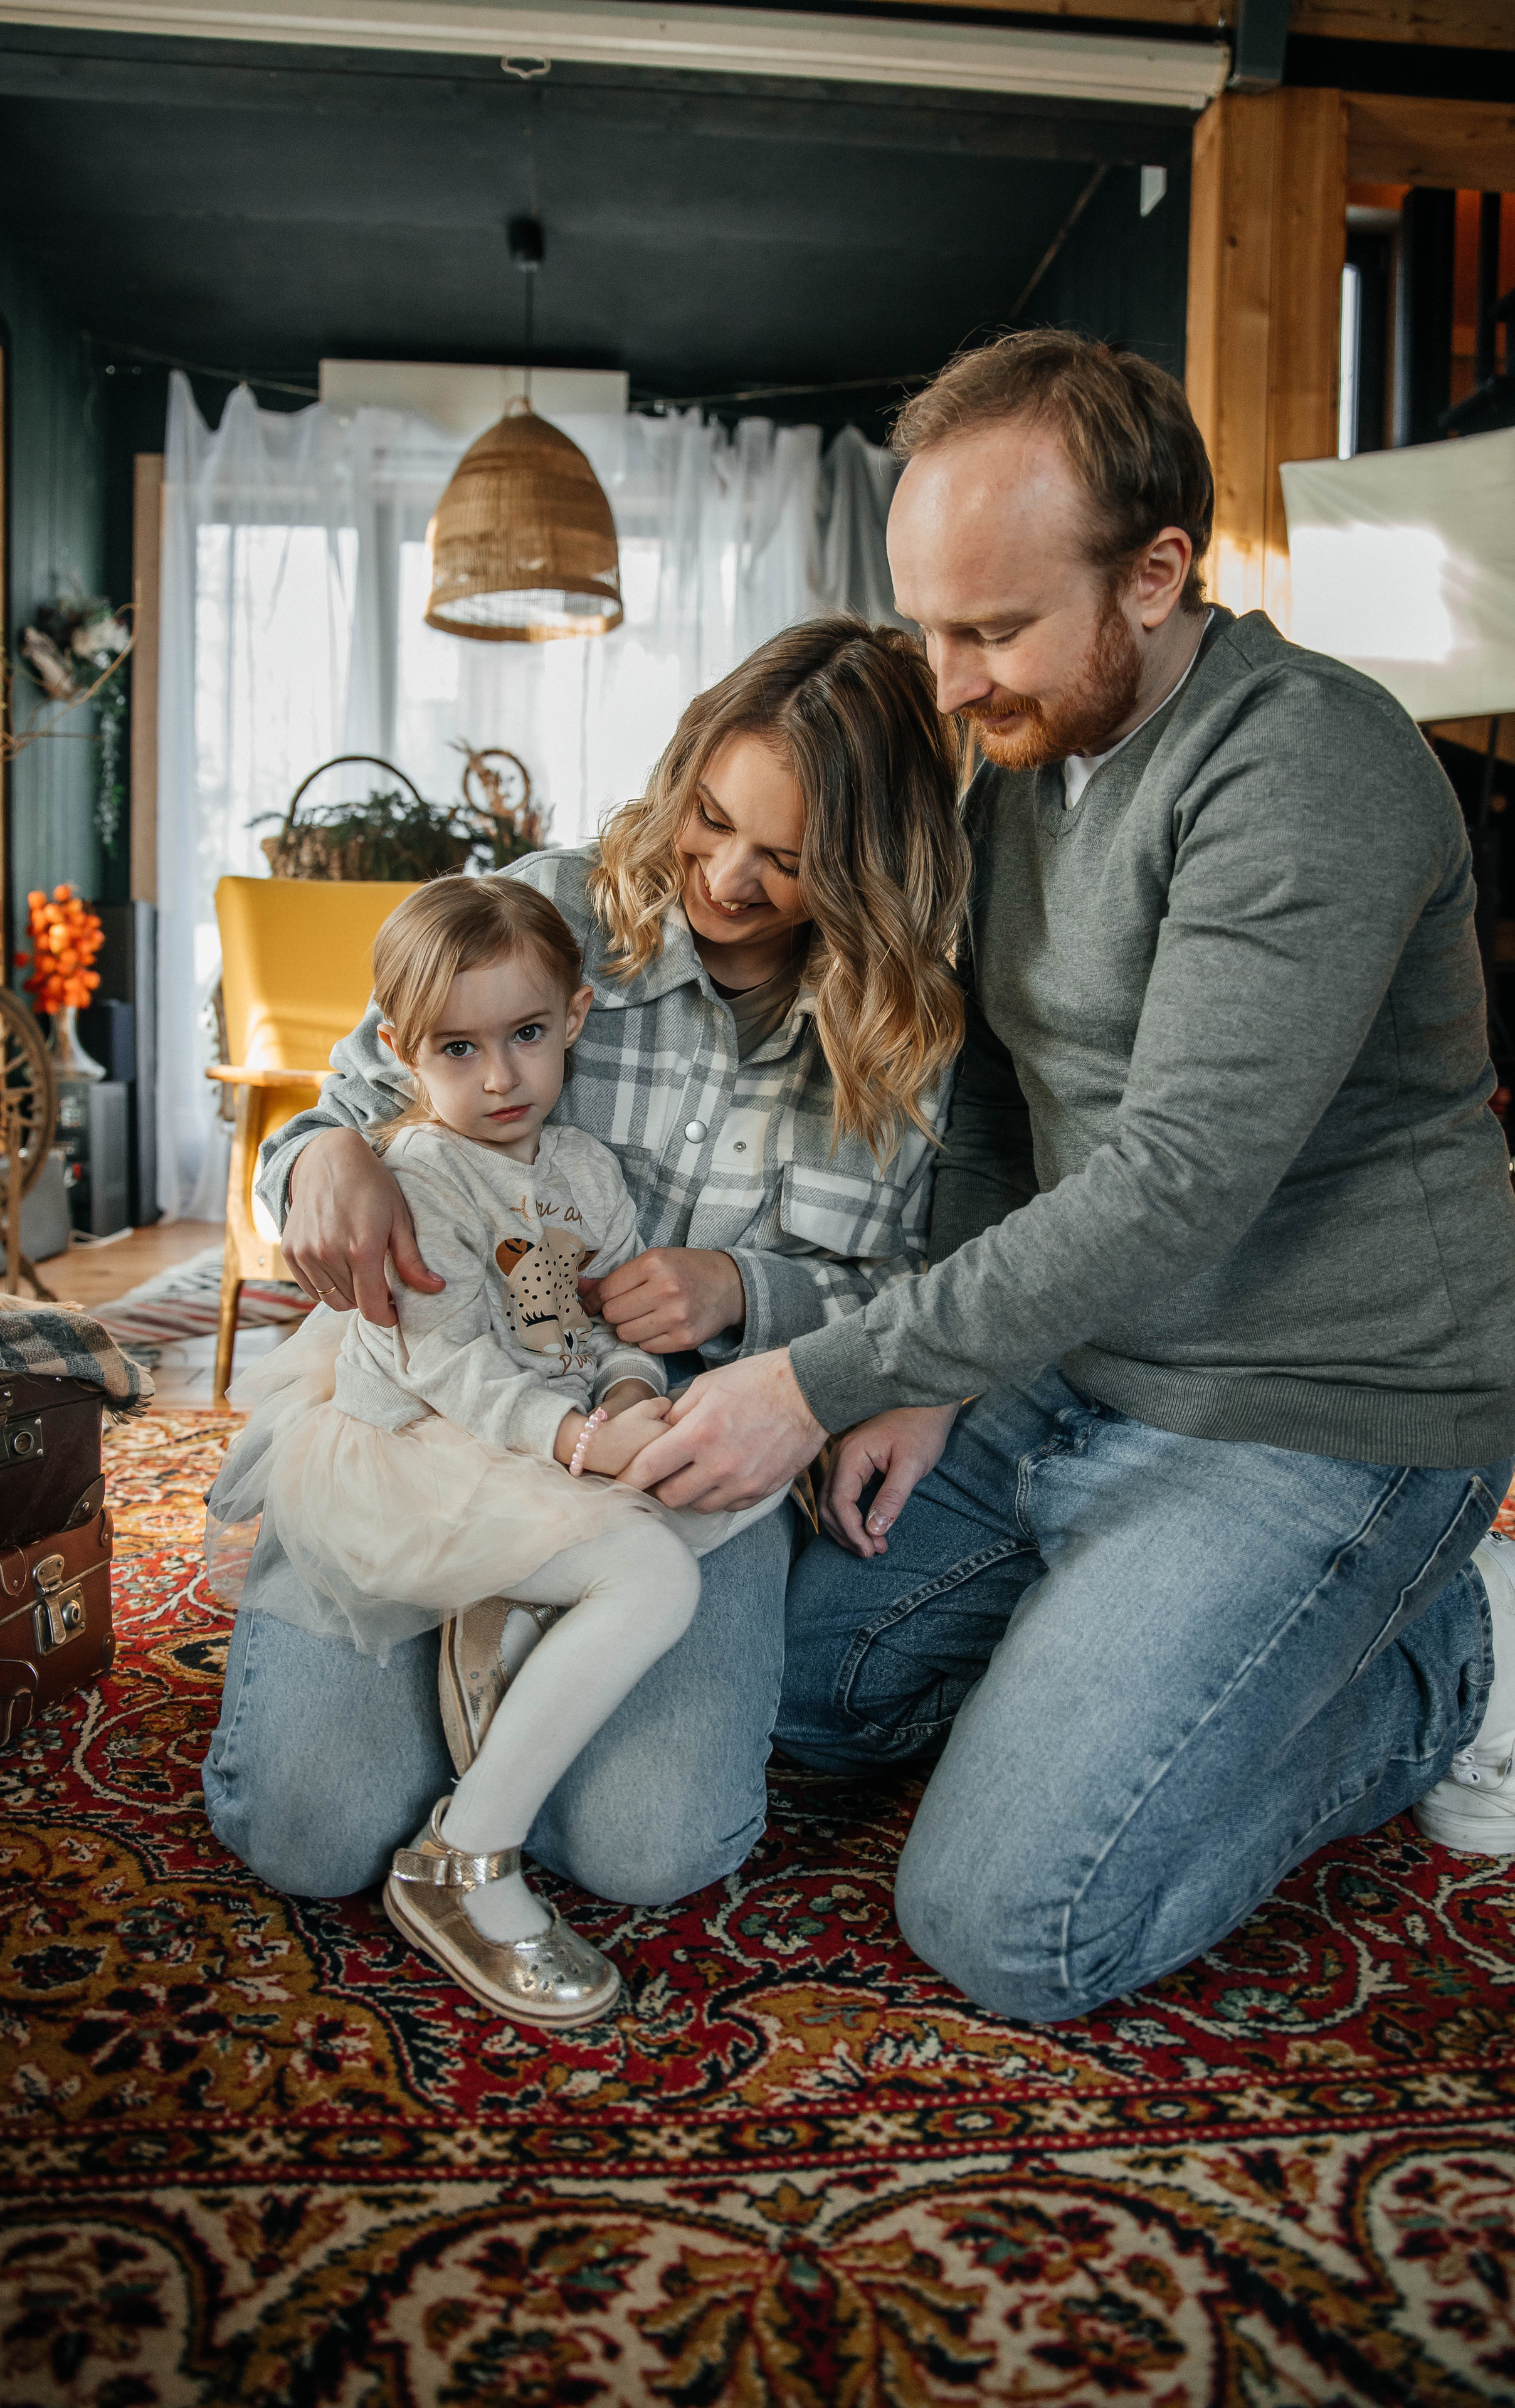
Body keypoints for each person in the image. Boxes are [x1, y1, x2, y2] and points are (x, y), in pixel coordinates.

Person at [618, 331, 1515, 2021]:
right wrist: (938, 1388)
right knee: (797, 1714)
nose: (946, 685)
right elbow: (991, 1113)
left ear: (1158, 573)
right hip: (1076, 1374)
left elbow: (1177, 1180)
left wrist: (825, 1379)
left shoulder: (1309, 768)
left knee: (1015, 1929)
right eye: (930, 626)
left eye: (994, 629)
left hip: (1322, 1412)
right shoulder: (1025, 755)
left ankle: (1448, 1664)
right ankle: (1137, 1639)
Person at [201, 614, 969, 1908]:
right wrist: (317, 1160)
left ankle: (507, 1666)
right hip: (435, 1418)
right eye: (710, 818)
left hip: (673, 1453)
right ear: (682, 773)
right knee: (306, 1833)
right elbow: (346, 1111)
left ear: (869, 866)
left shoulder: (901, 1027)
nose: (724, 877)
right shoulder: (552, 905)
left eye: (785, 859)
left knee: (647, 1854)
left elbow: (916, 1292)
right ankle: (449, 1648)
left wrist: (746, 1291)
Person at [206, 877, 783, 2026]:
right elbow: (447, 1369)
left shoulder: (585, 1172)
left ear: (574, 1017)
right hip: (427, 1452)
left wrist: (635, 1399)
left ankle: (504, 1635)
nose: (501, 1078)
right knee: (654, 1572)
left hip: (537, 1442)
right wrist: (580, 1437)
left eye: (525, 1036)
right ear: (402, 1049)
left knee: (676, 1550)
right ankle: (463, 1860)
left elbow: (611, 1326)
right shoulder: (419, 1173)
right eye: (457, 1050)